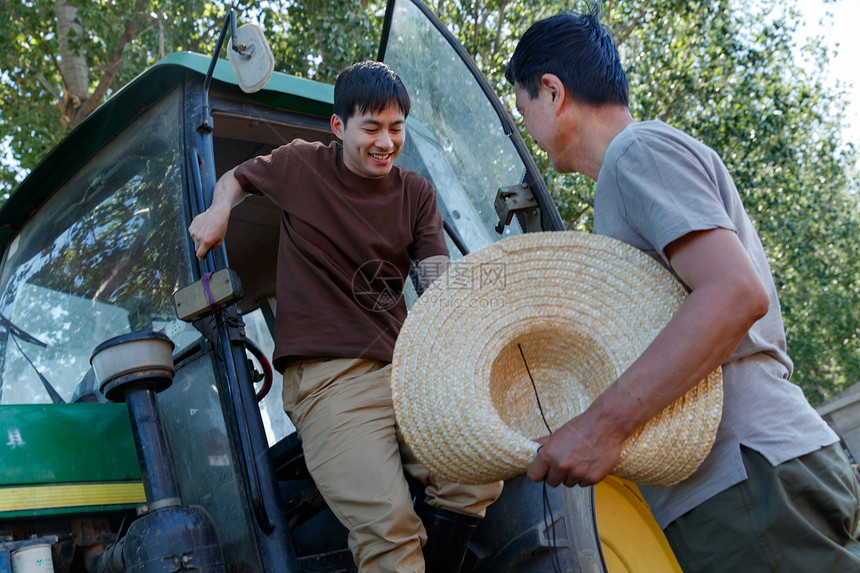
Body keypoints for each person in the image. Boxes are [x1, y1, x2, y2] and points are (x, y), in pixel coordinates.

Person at [505, 8, 860, 572]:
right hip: (746, 483)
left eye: (523, 109)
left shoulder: (636, 153)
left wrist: (601, 428)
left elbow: (733, 293)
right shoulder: (630, 172)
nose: (527, 127)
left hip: (743, 480)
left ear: (552, 92)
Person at [189, 60, 502, 573]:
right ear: (339, 127)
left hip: (404, 373)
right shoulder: (299, 165)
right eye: (372, 128)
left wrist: (481, 302)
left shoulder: (417, 193)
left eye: (396, 128)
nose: (386, 141)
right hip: (330, 383)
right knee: (390, 529)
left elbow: (436, 277)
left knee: (479, 464)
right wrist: (220, 209)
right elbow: (235, 179)